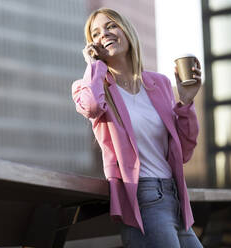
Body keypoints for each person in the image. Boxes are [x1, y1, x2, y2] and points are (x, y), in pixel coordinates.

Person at [71, 8, 203, 248]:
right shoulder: (89, 87)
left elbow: (183, 151)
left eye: (111, 26)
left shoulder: (159, 84)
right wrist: (94, 65)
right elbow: (91, 107)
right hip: (142, 199)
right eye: (96, 34)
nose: (105, 35)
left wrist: (185, 101)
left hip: (175, 196)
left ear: (126, 31)